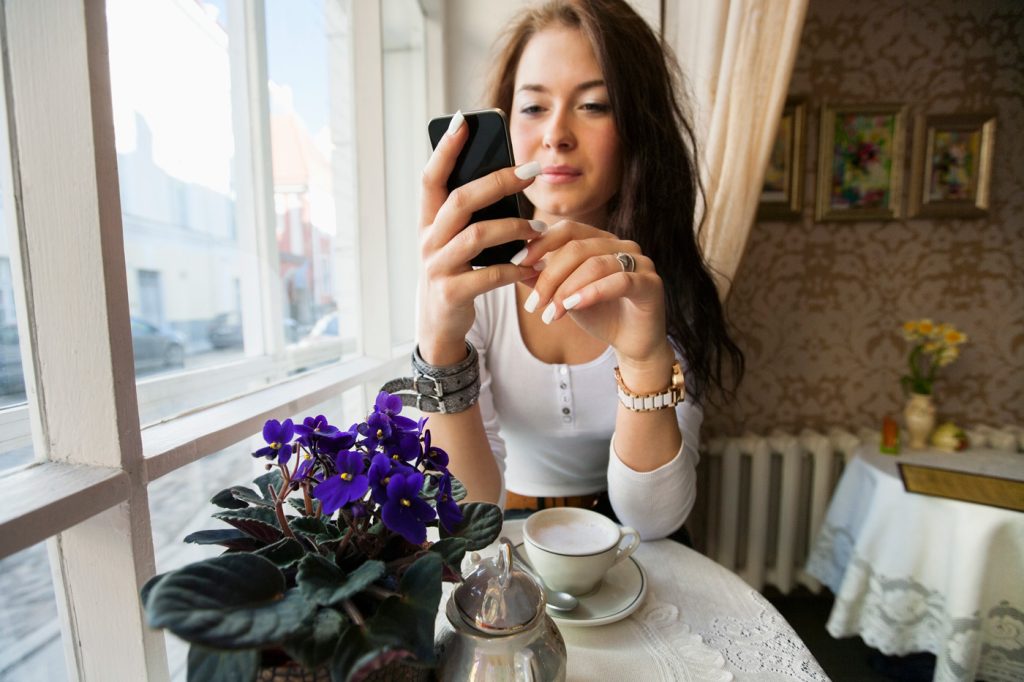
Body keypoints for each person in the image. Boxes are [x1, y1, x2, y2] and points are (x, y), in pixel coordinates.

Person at [409, 0, 743, 541]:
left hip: (635, 548)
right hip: (509, 535)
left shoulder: (661, 285)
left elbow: (654, 518)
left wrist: (643, 357)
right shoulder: (471, 283)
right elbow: (467, 510)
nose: (557, 136)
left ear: (639, 128)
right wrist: (440, 348)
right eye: (534, 108)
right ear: (505, 124)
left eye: (593, 106)